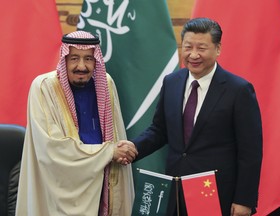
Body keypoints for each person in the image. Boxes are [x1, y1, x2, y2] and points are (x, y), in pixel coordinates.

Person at [132, 18, 262, 216]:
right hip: (175, 190)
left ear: (217, 49)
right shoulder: (171, 82)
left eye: (201, 48)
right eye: (187, 47)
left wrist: (244, 200)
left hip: (216, 193)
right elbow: (159, 130)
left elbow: (250, 152)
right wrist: (133, 148)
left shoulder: (239, 90)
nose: (193, 55)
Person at [15, 31, 138, 216]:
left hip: (102, 184)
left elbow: (116, 135)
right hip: (59, 192)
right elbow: (53, 151)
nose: (81, 66)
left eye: (88, 58)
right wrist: (110, 152)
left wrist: (121, 150)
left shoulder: (106, 84)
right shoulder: (44, 87)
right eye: (74, 58)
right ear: (64, 59)